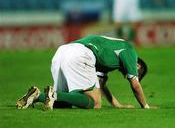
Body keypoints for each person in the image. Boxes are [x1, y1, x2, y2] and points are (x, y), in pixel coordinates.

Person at [16, 35, 150, 110]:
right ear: (138, 65)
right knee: (94, 103)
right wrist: (146, 106)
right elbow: (135, 86)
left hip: (62, 52)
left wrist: (117, 104)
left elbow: (100, 84)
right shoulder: (130, 51)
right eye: (137, 73)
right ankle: (53, 95)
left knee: (65, 103)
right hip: (80, 54)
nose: (131, 74)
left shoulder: (111, 57)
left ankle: (37, 96)